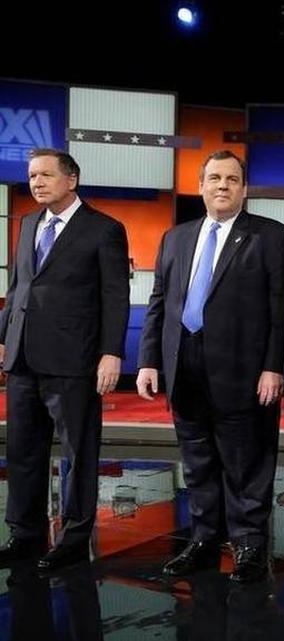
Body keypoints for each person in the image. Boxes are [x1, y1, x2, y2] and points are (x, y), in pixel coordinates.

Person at [137, 150, 284, 582]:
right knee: (198, 459)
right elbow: (160, 303)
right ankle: (205, 539)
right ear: (201, 185)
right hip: (183, 363)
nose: (222, 185)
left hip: (246, 371)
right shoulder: (176, 237)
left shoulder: (271, 236)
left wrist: (274, 366)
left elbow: (283, 310)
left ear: (244, 188)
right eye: (214, 178)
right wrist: (149, 359)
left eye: (231, 179)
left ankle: (248, 544)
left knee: (246, 461)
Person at [0, 148, 129, 571]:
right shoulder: (28, 222)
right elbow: (19, 287)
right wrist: (3, 337)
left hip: (74, 361)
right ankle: (26, 533)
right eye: (32, 175)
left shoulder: (104, 229)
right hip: (22, 357)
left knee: (78, 452)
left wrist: (111, 353)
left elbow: (114, 297)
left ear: (71, 179)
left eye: (45, 175)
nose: (36, 182)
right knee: (22, 451)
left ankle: (74, 537)